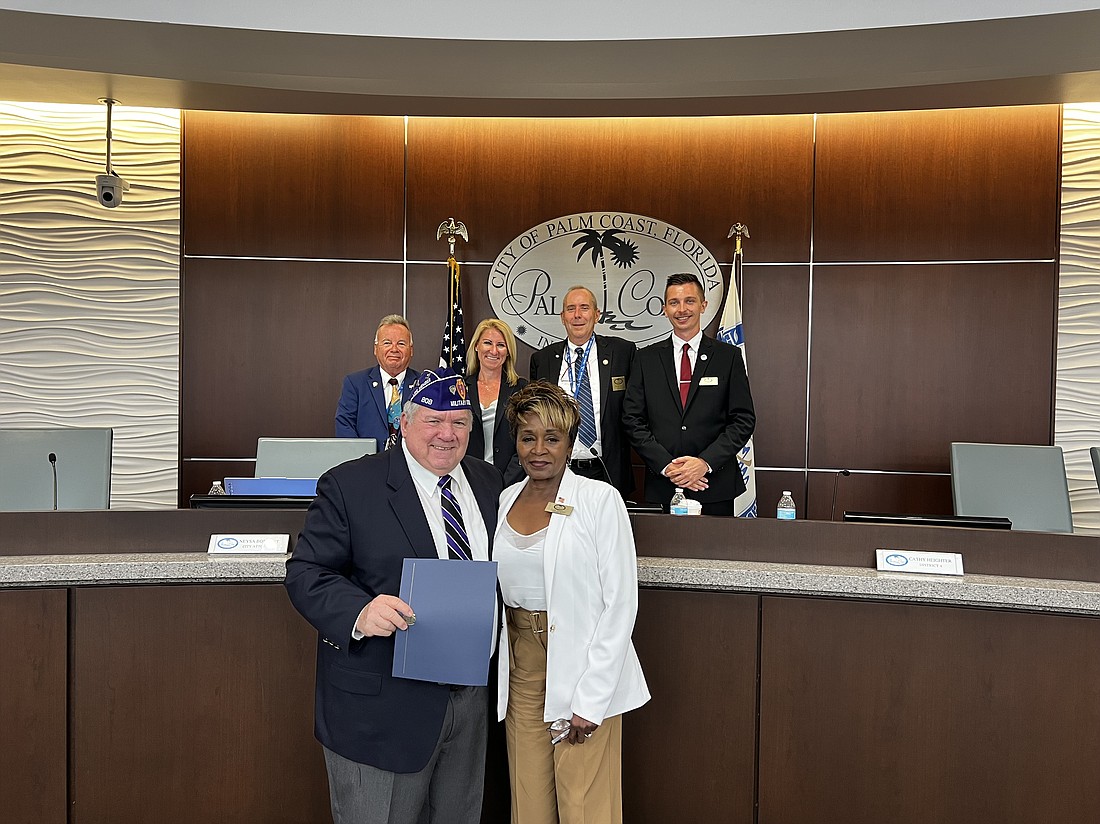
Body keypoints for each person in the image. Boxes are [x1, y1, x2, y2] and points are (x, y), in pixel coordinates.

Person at [287, 367, 504, 824]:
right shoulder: (351, 485)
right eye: (433, 420)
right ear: (404, 422)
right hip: (379, 711)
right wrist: (360, 611)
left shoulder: (489, 483)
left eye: (460, 421)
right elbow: (306, 572)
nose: (447, 434)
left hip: (468, 708)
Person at [495, 381, 649, 824]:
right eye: (528, 437)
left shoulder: (600, 500)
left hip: (583, 668)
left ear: (570, 443)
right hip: (522, 669)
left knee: (585, 808)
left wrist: (593, 698)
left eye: (552, 438)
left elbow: (621, 604)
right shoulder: (505, 499)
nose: (538, 449)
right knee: (529, 805)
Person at [623, 272, 755, 516]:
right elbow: (632, 420)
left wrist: (704, 464)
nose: (682, 309)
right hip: (664, 484)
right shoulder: (645, 359)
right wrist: (669, 467)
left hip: (715, 485)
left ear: (703, 305)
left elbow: (743, 419)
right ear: (664, 309)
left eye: (690, 301)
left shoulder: (728, 357)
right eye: (674, 302)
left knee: (715, 554)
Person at [529, 285, 637, 498]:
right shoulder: (543, 360)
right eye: (571, 309)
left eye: (584, 308)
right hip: (559, 469)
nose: (577, 315)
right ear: (562, 317)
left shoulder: (622, 353)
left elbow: (634, 410)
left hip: (607, 469)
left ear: (596, 315)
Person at [335, 315, 420, 448]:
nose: (394, 349)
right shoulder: (355, 384)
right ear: (376, 349)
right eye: (387, 343)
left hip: (410, 465)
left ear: (411, 350)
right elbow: (345, 425)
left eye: (401, 344)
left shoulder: (424, 385)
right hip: (367, 464)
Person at [466, 318, 528, 485]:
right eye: (487, 343)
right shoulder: (461, 388)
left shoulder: (522, 389)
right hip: (468, 479)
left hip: (512, 480)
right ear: (476, 346)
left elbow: (528, 438)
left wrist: (505, 480)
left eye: (501, 345)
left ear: (508, 351)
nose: (494, 351)